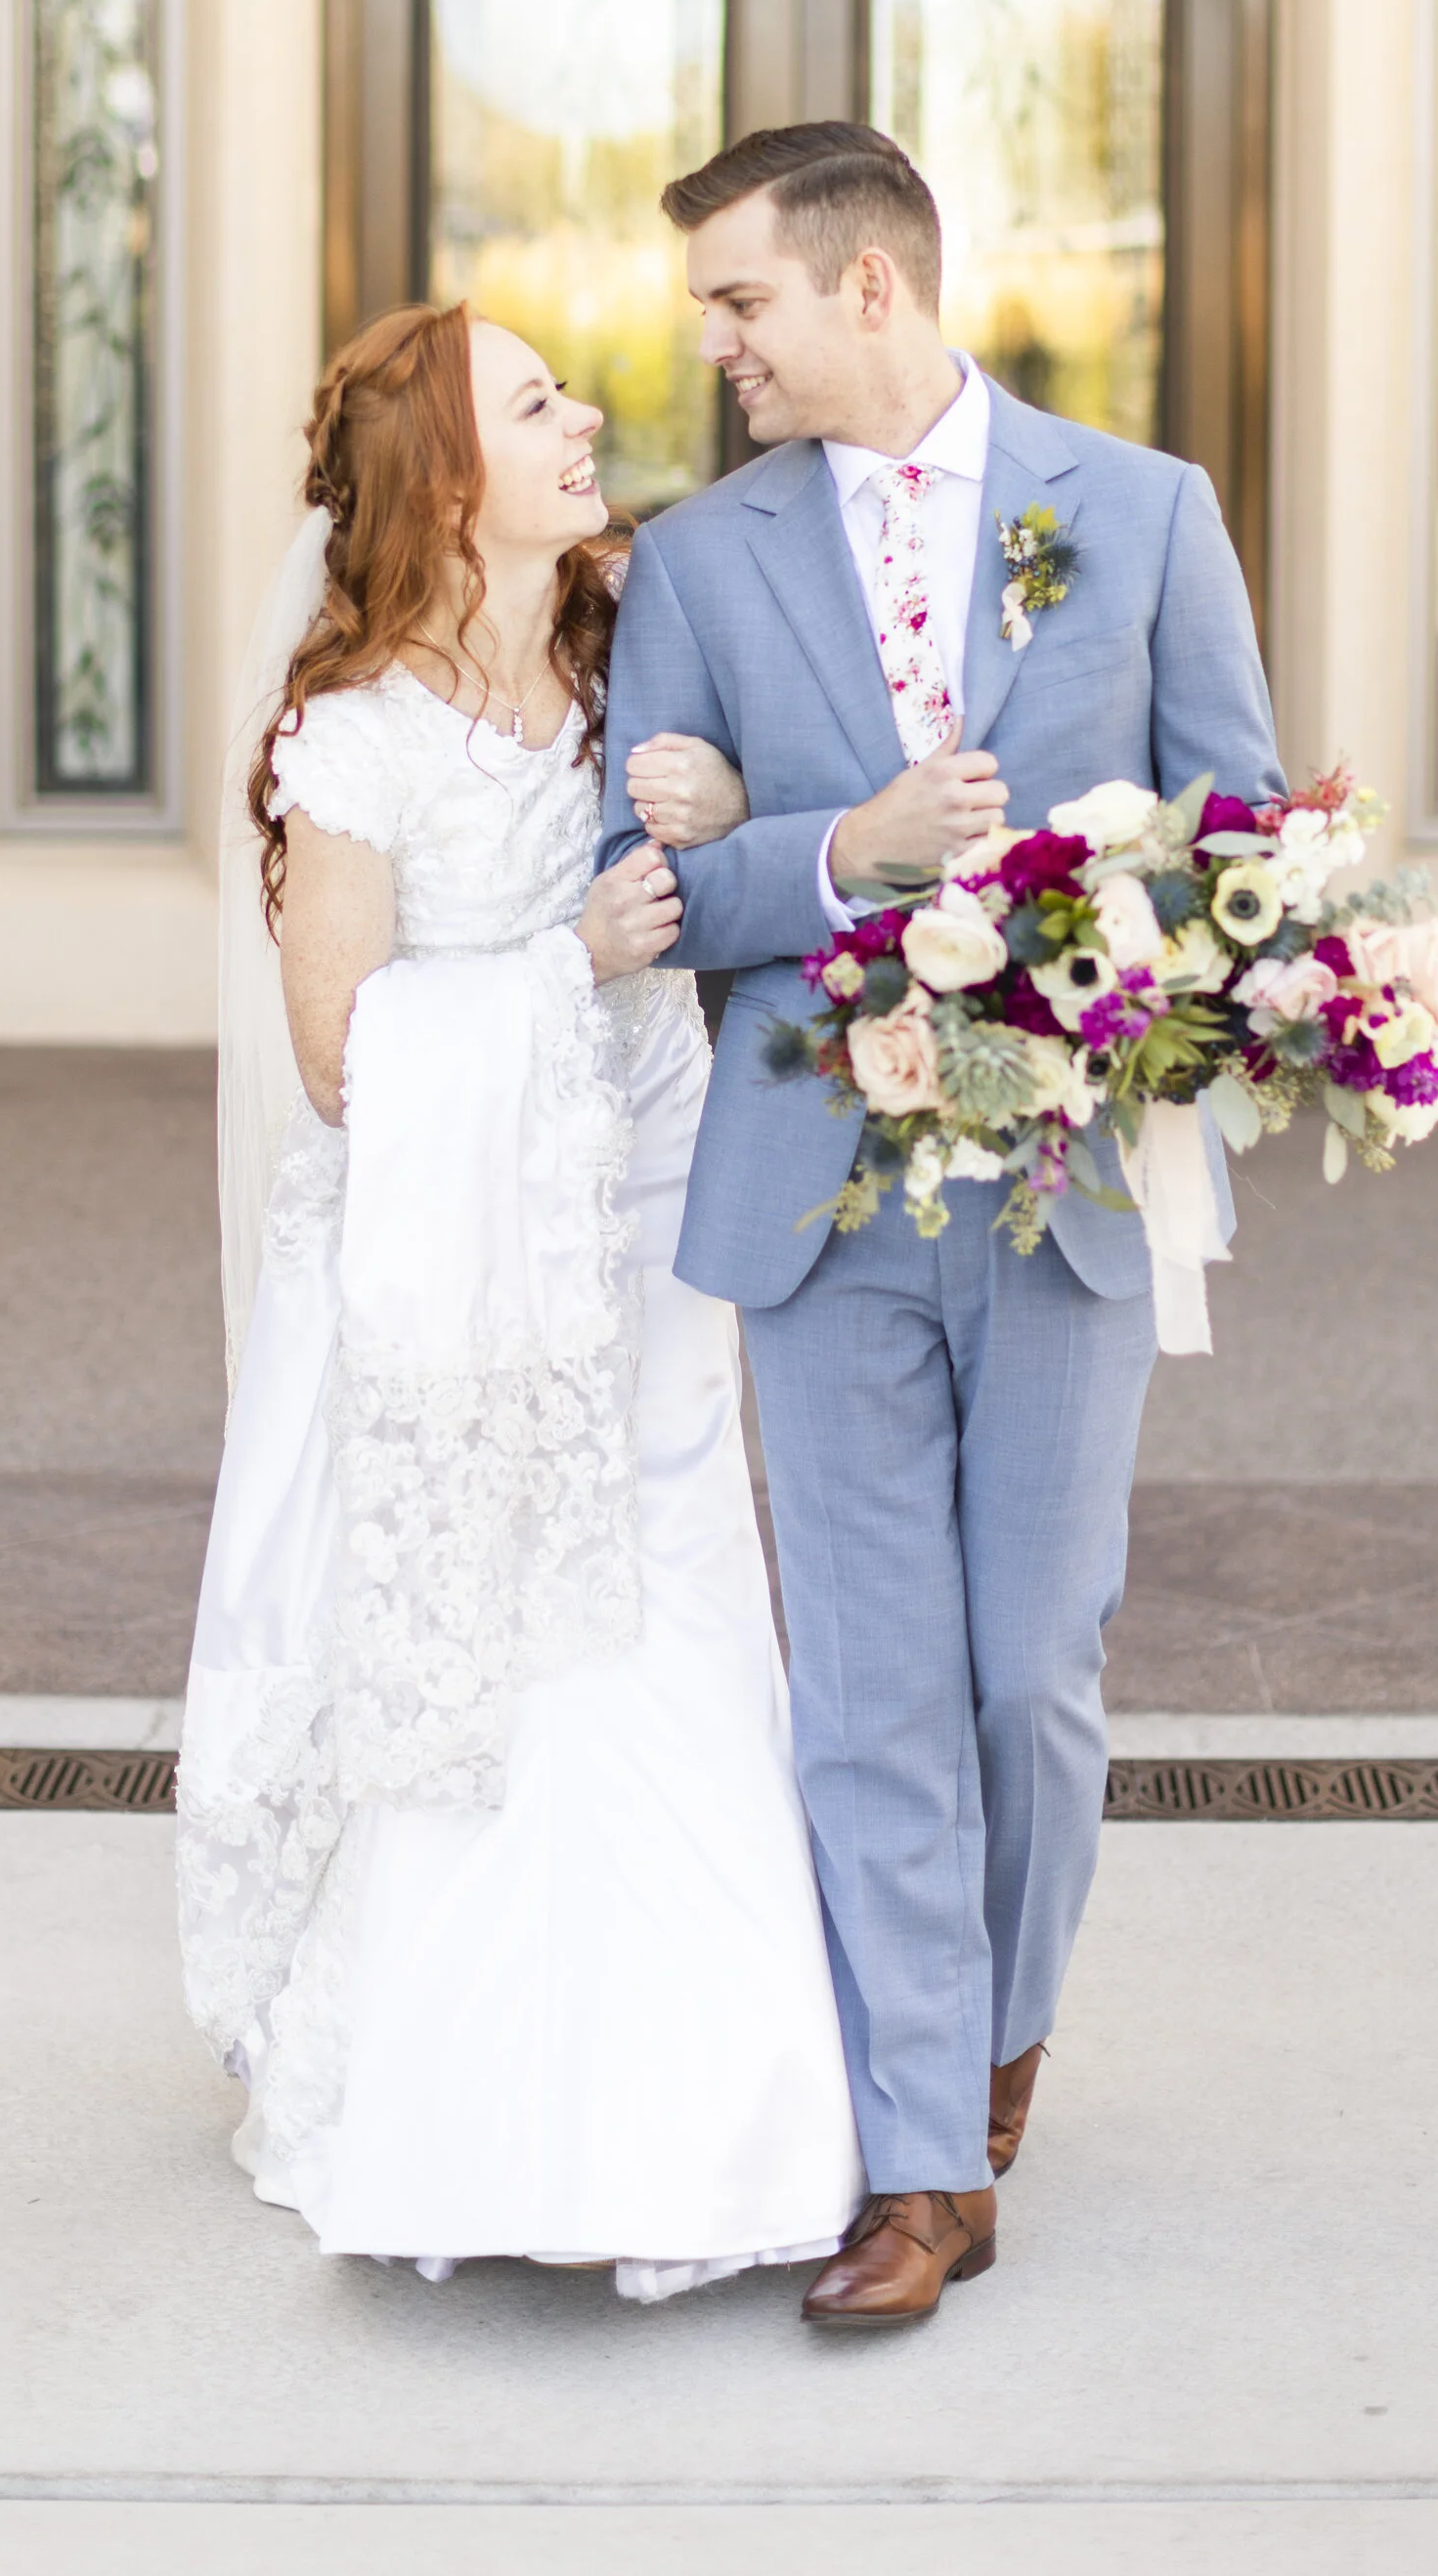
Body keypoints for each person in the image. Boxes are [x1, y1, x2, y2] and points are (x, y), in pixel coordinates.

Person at [602, 121, 1285, 2327]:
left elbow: (1233, 842)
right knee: (865, 1688)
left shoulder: (1143, 511)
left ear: (865, 287)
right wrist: (848, 852)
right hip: (811, 1185)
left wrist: (1110, 953)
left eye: (739, 303)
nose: (711, 346)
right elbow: (649, 897)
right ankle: (914, 2161)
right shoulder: (696, 562)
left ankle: (996, 2027)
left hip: (1061, 1185)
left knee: (1029, 1668)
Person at [179, 299, 862, 2300]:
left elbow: (776, 818)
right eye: (537, 405)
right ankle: (480, 2107)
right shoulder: (353, 737)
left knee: (670, 1619)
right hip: (444, 1275)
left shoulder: (630, 637)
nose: (589, 422)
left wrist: (734, 825)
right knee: (498, 1655)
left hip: (654, 1240)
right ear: (450, 485)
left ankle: (724, 2107)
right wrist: (562, 963)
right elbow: (336, 1062)